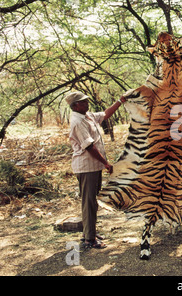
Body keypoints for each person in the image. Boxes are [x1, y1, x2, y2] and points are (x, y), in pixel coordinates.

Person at [65, 91, 127, 249]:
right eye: (83, 102)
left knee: (92, 200)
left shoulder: (87, 115)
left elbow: (105, 114)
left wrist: (120, 100)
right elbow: (89, 146)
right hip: (87, 167)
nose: (87, 103)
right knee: (89, 202)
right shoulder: (77, 121)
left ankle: (89, 232)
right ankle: (89, 239)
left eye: (86, 101)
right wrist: (106, 163)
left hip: (93, 166)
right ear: (75, 106)